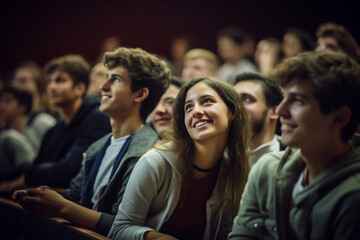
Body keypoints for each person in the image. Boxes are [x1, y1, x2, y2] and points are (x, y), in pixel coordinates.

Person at [14, 47, 171, 236]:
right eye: (106, 78)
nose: (103, 86)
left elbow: (123, 228)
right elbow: (76, 198)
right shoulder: (97, 146)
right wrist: (43, 198)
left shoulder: (148, 152)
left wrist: (62, 207)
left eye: (115, 80)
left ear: (139, 94)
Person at [229, 52, 360, 240]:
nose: (281, 110)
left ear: (339, 117)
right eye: (284, 98)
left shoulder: (353, 197)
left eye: (298, 100)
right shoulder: (267, 169)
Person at [109, 77, 251, 240]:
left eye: (207, 101)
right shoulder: (155, 162)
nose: (196, 111)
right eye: (188, 107)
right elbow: (119, 228)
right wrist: (156, 238)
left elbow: (224, 233)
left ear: (231, 111)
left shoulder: (233, 168)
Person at [0, 54, 111, 193]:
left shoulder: (97, 118)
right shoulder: (55, 128)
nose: (51, 87)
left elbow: (71, 170)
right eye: (49, 81)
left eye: (60, 80)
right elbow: (34, 165)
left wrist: (28, 178)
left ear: (79, 88)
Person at [233, 72, 283, 166]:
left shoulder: (296, 159)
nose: (236, 107)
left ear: (275, 111)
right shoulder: (220, 158)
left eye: (247, 99)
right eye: (233, 100)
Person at [11, 61, 57, 148]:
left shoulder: (45, 118)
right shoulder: (16, 117)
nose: (17, 85)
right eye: (15, 80)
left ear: (37, 85)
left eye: (23, 80)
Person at [0, 86, 37, 168]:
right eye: (1, 101)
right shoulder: (5, 133)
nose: (1, 106)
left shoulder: (38, 124)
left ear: (22, 107)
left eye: (7, 101)